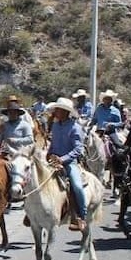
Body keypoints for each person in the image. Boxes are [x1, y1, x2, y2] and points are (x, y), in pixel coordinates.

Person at [46, 97, 87, 231]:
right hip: (53, 160)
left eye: (58, 110)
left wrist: (62, 159)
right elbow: (53, 143)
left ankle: (81, 215)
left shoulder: (75, 127)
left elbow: (78, 149)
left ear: (65, 112)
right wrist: (49, 153)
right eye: (56, 109)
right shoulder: (56, 126)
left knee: (77, 186)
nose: (56, 112)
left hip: (69, 162)